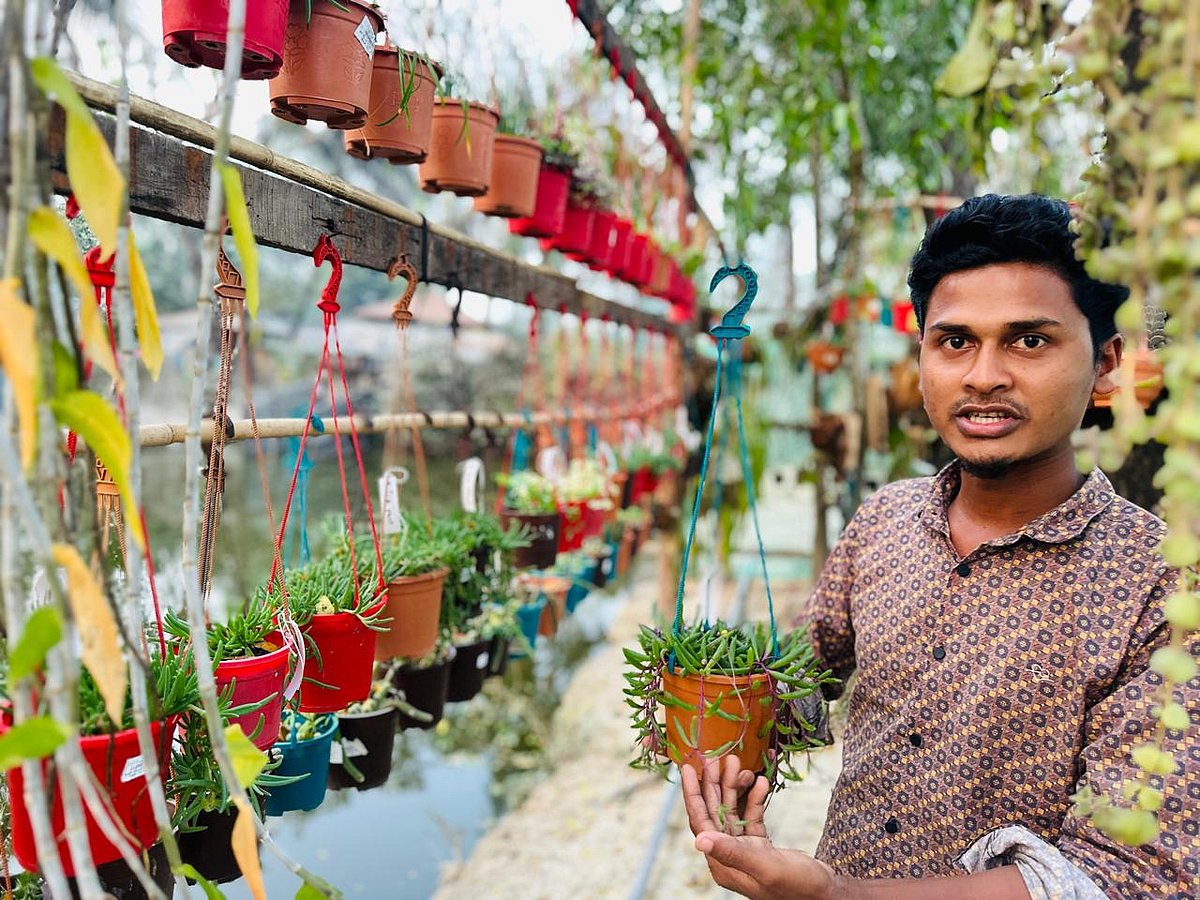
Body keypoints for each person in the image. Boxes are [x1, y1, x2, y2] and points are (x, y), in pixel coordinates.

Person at [681, 194, 1198, 899]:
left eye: (1029, 340)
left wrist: (835, 894)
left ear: (1106, 362)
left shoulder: (1162, 584)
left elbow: (1125, 876)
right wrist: (721, 706)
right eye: (955, 341)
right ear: (922, 352)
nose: (984, 375)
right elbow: (802, 689)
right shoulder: (883, 522)